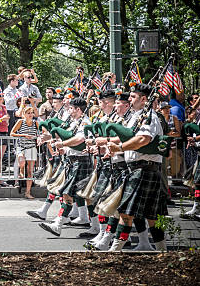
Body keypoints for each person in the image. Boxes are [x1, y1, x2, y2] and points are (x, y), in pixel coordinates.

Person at [105, 83, 167, 252]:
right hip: (137, 170)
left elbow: (143, 140)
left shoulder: (149, 117)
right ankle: (163, 251)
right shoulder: (136, 117)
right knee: (149, 216)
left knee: (128, 214)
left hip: (145, 169)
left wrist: (120, 148)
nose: (129, 99)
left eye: (132, 97)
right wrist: (111, 146)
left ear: (144, 99)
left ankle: (114, 250)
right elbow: (129, 137)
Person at [39, 97, 90, 236]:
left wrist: (63, 145)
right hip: (73, 160)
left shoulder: (85, 122)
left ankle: (59, 223)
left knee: (69, 193)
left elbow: (80, 139)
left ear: (78, 109)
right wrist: (51, 140)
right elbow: (68, 137)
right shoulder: (75, 122)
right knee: (80, 195)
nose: (69, 110)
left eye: (71, 108)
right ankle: (94, 225)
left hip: (81, 161)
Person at [11, 106, 39, 198]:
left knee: (30, 171)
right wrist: (24, 135)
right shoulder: (20, 122)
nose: (31, 115)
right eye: (28, 113)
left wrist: (38, 137)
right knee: (21, 161)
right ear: (24, 114)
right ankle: (21, 170)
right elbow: (12, 133)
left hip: (31, 147)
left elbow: (41, 133)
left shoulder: (36, 123)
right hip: (21, 146)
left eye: (32, 113)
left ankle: (28, 192)